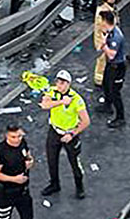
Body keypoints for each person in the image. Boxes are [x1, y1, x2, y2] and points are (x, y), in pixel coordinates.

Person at [38, 70, 88, 199]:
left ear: (68, 84)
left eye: (63, 83)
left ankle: (79, 186)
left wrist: (72, 134)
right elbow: (44, 105)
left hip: (70, 134)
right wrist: (60, 102)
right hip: (54, 131)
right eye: (58, 82)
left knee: (74, 162)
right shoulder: (52, 91)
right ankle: (54, 184)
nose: (59, 85)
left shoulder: (76, 99)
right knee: (51, 160)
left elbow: (86, 121)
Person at [0, 124, 36, 219]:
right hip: (6, 193)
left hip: (23, 192)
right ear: (6, 136)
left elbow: (28, 154)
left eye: (19, 136)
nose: (17, 140)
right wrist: (15, 179)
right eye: (13, 137)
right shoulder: (0, 151)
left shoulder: (22, 143)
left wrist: (30, 160)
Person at [97, 9, 127, 128]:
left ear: (105, 22)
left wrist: (103, 45)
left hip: (117, 67)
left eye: (101, 21)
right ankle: (107, 105)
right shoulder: (109, 32)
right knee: (106, 84)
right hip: (111, 65)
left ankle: (120, 117)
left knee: (115, 92)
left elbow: (111, 55)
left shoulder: (116, 37)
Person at [91, 0, 119, 105]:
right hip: (103, 40)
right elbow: (105, 28)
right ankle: (99, 80)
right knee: (102, 60)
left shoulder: (107, 7)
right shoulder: (104, 10)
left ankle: (101, 78)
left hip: (105, 39)